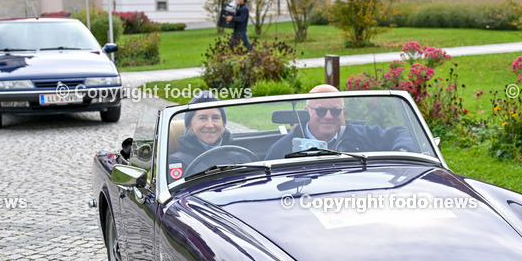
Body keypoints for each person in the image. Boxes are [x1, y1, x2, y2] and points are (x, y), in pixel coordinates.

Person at [264, 85, 416, 160]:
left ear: (343, 111)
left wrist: (402, 152)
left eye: (335, 111)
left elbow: (401, 133)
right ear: (307, 111)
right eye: (321, 110)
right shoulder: (282, 149)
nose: (329, 116)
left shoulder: (361, 134)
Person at [168, 92, 233, 178]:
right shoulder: (176, 163)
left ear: (223, 124)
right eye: (202, 118)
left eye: (215, 118)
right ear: (190, 126)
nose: (210, 125)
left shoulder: (240, 155)